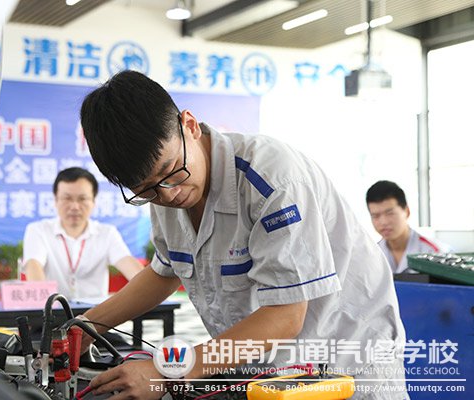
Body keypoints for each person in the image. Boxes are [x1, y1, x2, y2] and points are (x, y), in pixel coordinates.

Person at [76, 71, 408, 400]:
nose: (169, 194)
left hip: (344, 360)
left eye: (170, 171)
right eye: (146, 190)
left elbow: (286, 316)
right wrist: (87, 326)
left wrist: (168, 372)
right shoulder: (165, 191)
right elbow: (165, 273)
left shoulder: (272, 180)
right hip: (266, 371)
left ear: (189, 125)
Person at [23, 167, 143, 299]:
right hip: (54, 309)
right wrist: (45, 304)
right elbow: (33, 266)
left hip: (96, 311)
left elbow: (129, 265)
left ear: (93, 202)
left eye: (82, 199)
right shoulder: (38, 230)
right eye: (67, 198)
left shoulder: (107, 233)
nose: (74, 207)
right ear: (56, 200)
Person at [366, 180, 446, 274]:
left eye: (390, 213)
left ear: (407, 212)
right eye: (375, 216)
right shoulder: (371, 255)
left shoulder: (434, 253)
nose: (383, 222)